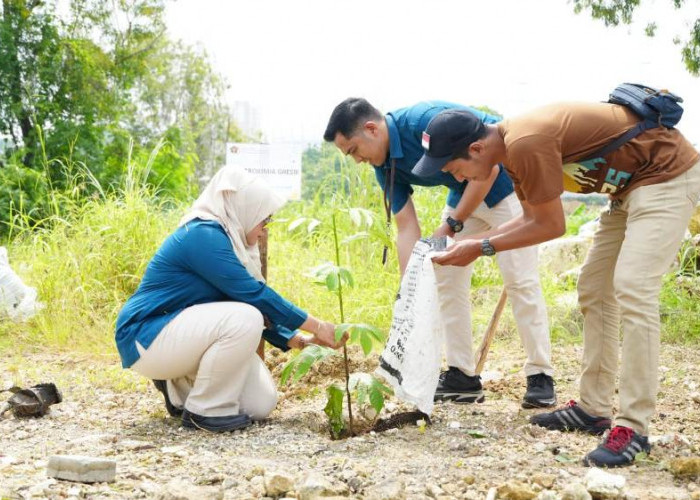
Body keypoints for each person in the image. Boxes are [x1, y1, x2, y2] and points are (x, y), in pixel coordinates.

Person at [413, 103, 700, 467]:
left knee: (633, 286)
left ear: (476, 149)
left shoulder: (525, 143)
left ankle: (634, 427)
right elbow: (533, 219)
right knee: (595, 288)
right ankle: (593, 409)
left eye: (454, 168)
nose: (455, 178)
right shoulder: (512, 152)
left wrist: (480, 246)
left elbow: (552, 227)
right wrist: (472, 247)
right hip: (628, 188)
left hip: (666, 175)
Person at [323, 98, 556, 408]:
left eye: (353, 150)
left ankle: (540, 375)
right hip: (465, 192)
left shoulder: (424, 122)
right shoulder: (386, 166)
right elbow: (407, 228)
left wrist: (451, 225)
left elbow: (487, 167)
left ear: (371, 129)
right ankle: (463, 376)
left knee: (519, 277)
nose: (356, 160)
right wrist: (410, 287)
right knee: (444, 274)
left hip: (504, 185)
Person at [115, 166, 346, 433]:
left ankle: (177, 390)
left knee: (260, 403)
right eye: (263, 221)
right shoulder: (202, 235)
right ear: (244, 208)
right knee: (245, 317)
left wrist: (300, 340)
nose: (263, 231)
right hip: (145, 336)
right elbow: (254, 296)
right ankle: (204, 412)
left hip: (181, 337)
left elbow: (247, 300)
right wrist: (318, 326)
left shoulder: (230, 242)